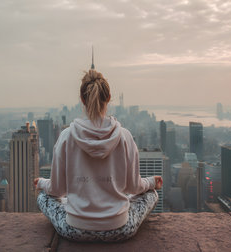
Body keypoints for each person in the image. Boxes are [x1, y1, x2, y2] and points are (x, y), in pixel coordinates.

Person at [34, 69, 163, 242]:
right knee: (151, 194)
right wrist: (151, 182)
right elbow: (134, 188)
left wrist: (41, 183)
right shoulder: (125, 136)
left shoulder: (66, 136)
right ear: (109, 97)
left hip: (74, 230)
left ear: (82, 99)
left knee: (43, 196)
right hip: (120, 229)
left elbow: (58, 190)